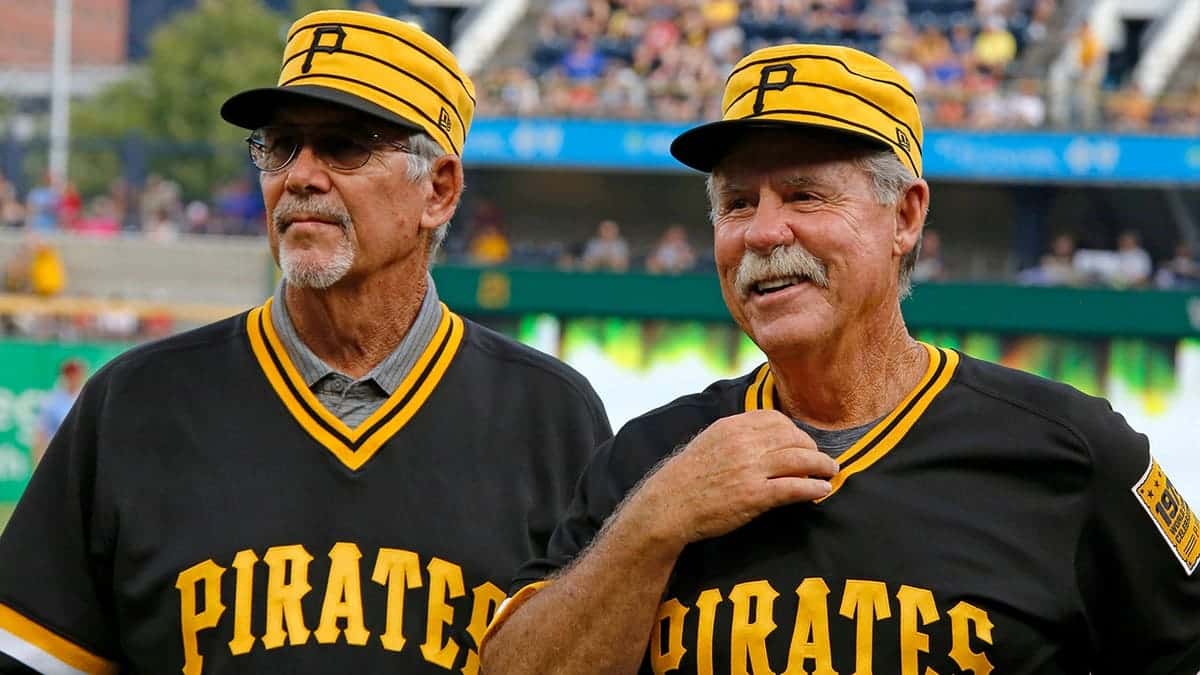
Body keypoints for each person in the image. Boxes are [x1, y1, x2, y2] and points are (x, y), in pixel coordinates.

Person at [481, 43, 1200, 673]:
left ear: (906, 216)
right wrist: (652, 523)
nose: (763, 231)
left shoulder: (1069, 451)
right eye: (737, 202)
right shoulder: (647, 460)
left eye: (804, 194)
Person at [0, 10, 610, 674]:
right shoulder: (134, 403)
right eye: (280, 145)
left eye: (345, 146)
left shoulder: (550, 415)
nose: (301, 175)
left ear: (438, 190)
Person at [30, 358, 86, 467]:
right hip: (58, 459)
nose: (73, 378)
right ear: (63, 376)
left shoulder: (90, 398)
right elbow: (41, 436)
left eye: (76, 374)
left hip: (82, 459)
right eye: (70, 374)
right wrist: (38, 466)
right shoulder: (51, 402)